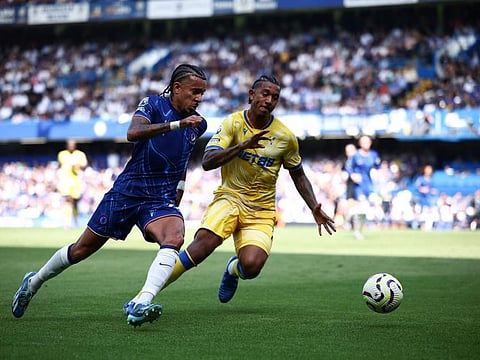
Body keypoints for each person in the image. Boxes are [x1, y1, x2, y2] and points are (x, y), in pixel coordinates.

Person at [11, 63, 208, 327]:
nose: (199, 98)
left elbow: (183, 157)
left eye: (202, 93)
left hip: (159, 198)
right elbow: (133, 133)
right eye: (194, 91)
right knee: (80, 250)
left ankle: (141, 302)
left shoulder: (198, 125)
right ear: (176, 88)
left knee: (175, 235)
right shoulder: (152, 105)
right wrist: (177, 124)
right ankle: (33, 282)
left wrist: (180, 188)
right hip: (126, 193)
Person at [161, 74, 336, 304]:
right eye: (265, 94)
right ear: (251, 95)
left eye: (275, 97)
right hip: (230, 198)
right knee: (201, 248)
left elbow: (298, 174)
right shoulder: (232, 123)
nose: (269, 100)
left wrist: (313, 206)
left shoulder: (285, 137)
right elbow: (208, 161)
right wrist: (243, 145)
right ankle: (145, 295)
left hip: (260, 210)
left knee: (251, 267)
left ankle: (233, 269)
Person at [345, 135, 381, 239]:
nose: (366, 144)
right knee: (363, 207)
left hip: (369, 185)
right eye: (364, 142)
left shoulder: (374, 155)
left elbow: (377, 167)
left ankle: (352, 215)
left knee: (370, 207)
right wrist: (353, 175)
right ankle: (357, 230)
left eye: (368, 141)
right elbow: (348, 166)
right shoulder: (356, 155)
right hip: (359, 186)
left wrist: (376, 173)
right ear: (360, 143)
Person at [57, 139, 88, 228]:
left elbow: (85, 166)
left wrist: (77, 165)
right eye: (69, 145)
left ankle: (76, 220)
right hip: (65, 182)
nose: (71, 146)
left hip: (76, 182)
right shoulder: (62, 154)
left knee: (75, 203)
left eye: (73, 145)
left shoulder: (80, 155)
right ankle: (67, 223)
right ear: (67, 146)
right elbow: (59, 166)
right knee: (68, 201)